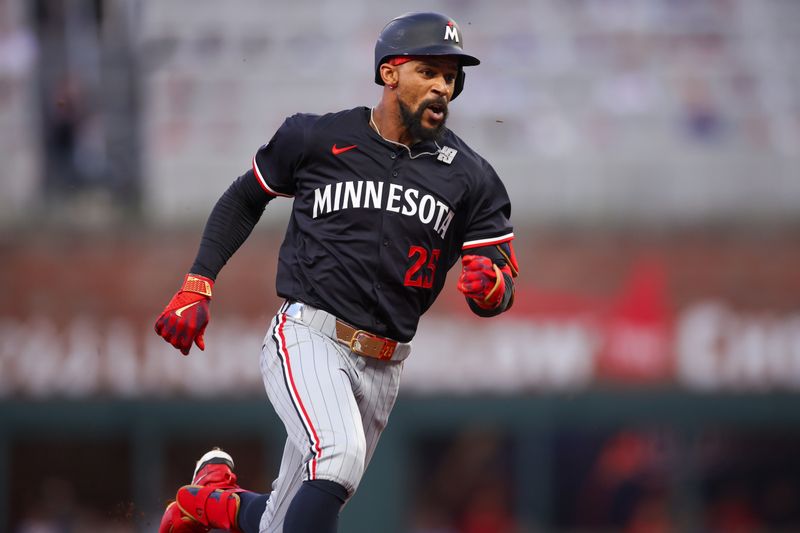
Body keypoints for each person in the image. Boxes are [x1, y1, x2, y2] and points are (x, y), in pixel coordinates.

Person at [155, 11, 519, 533]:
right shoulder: (318, 138)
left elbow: (501, 280)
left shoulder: (471, 176)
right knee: (339, 458)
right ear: (390, 72)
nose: (443, 86)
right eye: (429, 70)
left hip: (385, 365)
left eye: (451, 76)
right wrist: (198, 280)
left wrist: (494, 288)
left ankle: (211, 500)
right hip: (310, 335)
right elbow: (245, 197)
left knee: (281, 522)